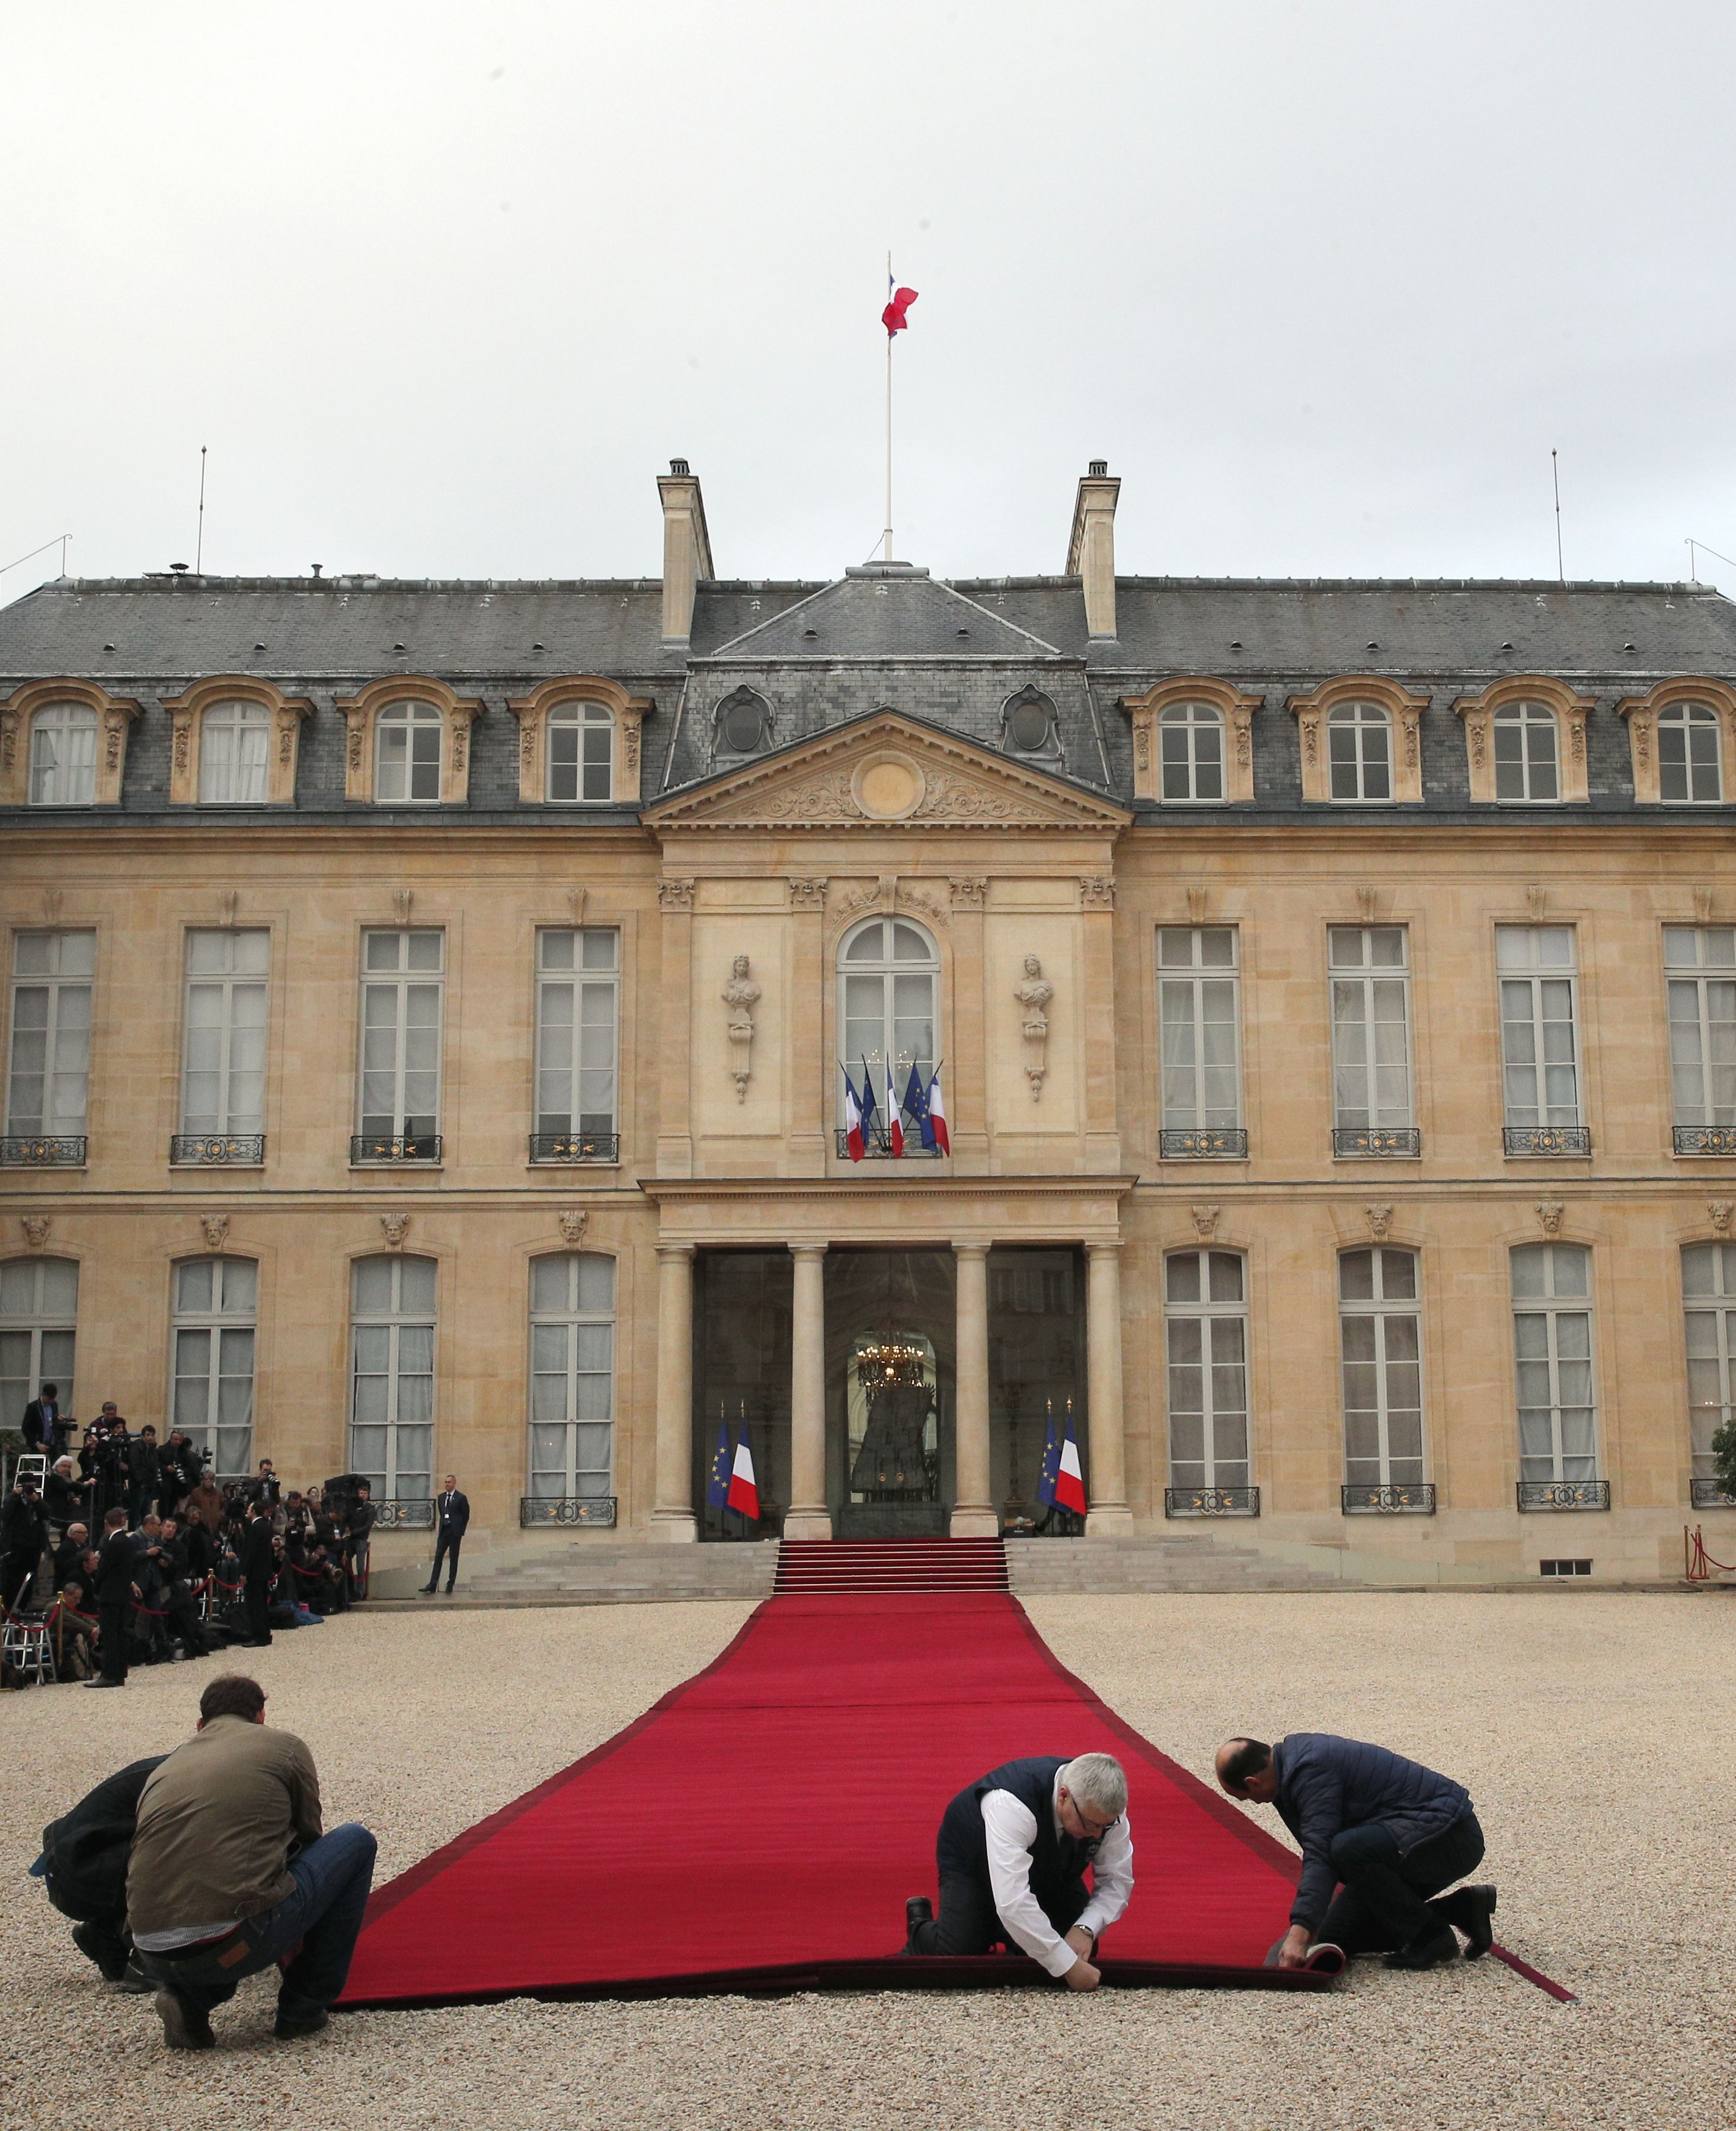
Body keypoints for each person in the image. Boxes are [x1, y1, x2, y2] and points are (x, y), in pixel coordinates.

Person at [127, 1673, 378, 2049]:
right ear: (261, 1716)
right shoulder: (284, 1747)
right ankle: (303, 2006)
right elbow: (310, 1835)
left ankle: (190, 2001)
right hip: (232, 1943)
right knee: (354, 1843)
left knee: (211, 1894)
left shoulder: (164, 1768)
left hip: (150, 1950)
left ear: (200, 1724)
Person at [1214, 1734, 1497, 1970]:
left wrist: (1299, 1932)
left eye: (1245, 1798)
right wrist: (1309, 1928)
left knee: (1345, 1850)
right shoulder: (1290, 1764)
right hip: (1409, 1842)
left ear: (1253, 1782)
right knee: (1333, 1936)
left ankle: (1430, 1937)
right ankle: (1460, 1909)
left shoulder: (1310, 1771)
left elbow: (1322, 1853)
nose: (1253, 1803)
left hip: (1449, 1841)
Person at [902, 1753, 1133, 1991]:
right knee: (959, 1954)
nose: (1098, 1835)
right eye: (1090, 1825)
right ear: (1064, 1796)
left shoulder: (1105, 1813)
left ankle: (1011, 1931)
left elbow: (1117, 1881)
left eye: (1105, 1826)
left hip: (1050, 1868)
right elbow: (1012, 1902)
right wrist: (1068, 1967)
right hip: (973, 1861)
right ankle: (921, 1927)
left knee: (1081, 1948)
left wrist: (1085, 1928)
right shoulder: (1011, 1804)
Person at [32, 1753, 168, 1985]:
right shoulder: (193, 1775)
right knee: (197, 1850)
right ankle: (150, 1958)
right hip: (77, 1875)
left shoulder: (191, 1761)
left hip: (75, 1872)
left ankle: (107, 1934)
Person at [88, 1506, 140, 1688]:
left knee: (110, 1636)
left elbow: (103, 1570)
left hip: (110, 1594)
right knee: (120, 1634)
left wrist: (96, 1587)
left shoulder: (111, 1543)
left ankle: (109, 1674)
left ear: (106, 1523)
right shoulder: (128, 1542)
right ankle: (119, 1673)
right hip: (123, 1594)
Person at [2, 1477, 47, 1613]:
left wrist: (36, 1500)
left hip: (33, 1547)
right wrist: (16, 1496)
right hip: (15, 1547)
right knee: (13, 1580)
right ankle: (11, 1608)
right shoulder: (12, 1500)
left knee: (30, 1580)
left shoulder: (35, 1500)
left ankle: (25, 1605)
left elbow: (47, 1513)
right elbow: (5, 1516)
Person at [423, 1474, 469, 1595]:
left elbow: (466, 1515)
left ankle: (450, 1583)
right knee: (438, 1557)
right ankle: (433, 1584)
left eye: (449, 1482)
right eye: (445, 1482)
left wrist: (460, 1530)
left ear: (454, 1483)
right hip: (444, 1531)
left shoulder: (461, 1498)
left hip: (455, 1532)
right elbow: (442, 1512)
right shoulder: (442, 1498)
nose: (447, 1484)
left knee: (453, 1558)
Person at [239, 1498, 274, 1646]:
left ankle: (259, 1636)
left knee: (255, 1605)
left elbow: (251, 1552)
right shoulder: (266, 1526)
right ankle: (265, 1634)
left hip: (255, 1573)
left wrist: (244, 1572)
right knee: (262, 1604)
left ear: (254, 1512)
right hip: (264, 1571)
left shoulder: (255, 1528)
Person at [23, 1381, 68, 1456]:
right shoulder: (33, 1407)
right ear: (43, 1395)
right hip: (38, 1445)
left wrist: (58, 1418)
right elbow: (25, 1428)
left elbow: (53, 1420)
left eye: (53, 1399)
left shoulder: (54, 1405)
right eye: (49, 1399)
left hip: (52, 1444)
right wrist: (36, 1443)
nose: (50, 1401)